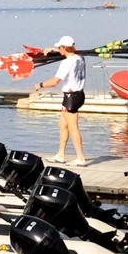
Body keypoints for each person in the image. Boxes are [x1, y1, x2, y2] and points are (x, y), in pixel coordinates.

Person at [35, 35, 88, 166]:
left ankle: (81, 158)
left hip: (71, 97)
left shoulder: (66, 62)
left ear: (64, 47)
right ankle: (60, 155)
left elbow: (55, 81)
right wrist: (53, 50)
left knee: (73, 128)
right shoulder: (80, 58)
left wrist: (40, 85)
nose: (59, 49)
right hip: (77, 95)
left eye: (60, 47)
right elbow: (69, 53)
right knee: (62, 126)